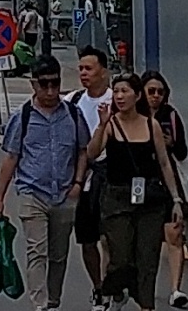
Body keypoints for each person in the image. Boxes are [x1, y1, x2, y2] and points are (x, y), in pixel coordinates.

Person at [0, 55, 91, 311]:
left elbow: (82, 150)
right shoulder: (22, 117)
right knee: (37, 251)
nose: (50, 90)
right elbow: (11, 158)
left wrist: (78, 182)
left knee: (59, 255)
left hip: (64, 193)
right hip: (32, 192)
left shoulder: (72, 113)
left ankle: (53, 300)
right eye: (44, 84)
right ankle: (41, 304)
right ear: (33, 85)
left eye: (55, 84)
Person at [85, 72, 185, 311]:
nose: (119, 96)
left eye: (124, 91)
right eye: (116, 91)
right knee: (119, 256)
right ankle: (117, 290)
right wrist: (101, 124)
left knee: (147, 257)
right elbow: (92, 153)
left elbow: (164, 163)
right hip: (117, 198)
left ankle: (146, 305)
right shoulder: (111, 124)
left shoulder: (151, 125)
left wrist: (176, 199)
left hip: (149, 199)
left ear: (136, 95)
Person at [142, 71, 188, 309]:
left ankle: (175, 289)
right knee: (143, 239)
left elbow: (182, 152)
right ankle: (141, 286)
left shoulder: (170, 116)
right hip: (141, 183)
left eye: (160, 92)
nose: (156, 96)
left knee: (174, 234)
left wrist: (170, 143)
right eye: (151, 91)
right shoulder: (134, 116)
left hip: (167, 182)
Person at [71, 46, 115, 308]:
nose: (83, 74)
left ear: (103, 71)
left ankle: (110, 286)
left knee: (109, 238)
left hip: (111, 176)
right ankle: (98, 287)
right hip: (85, 177)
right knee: (87, 239)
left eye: (89, 69)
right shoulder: (73, 102)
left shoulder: (117, 100)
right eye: (80, 69)